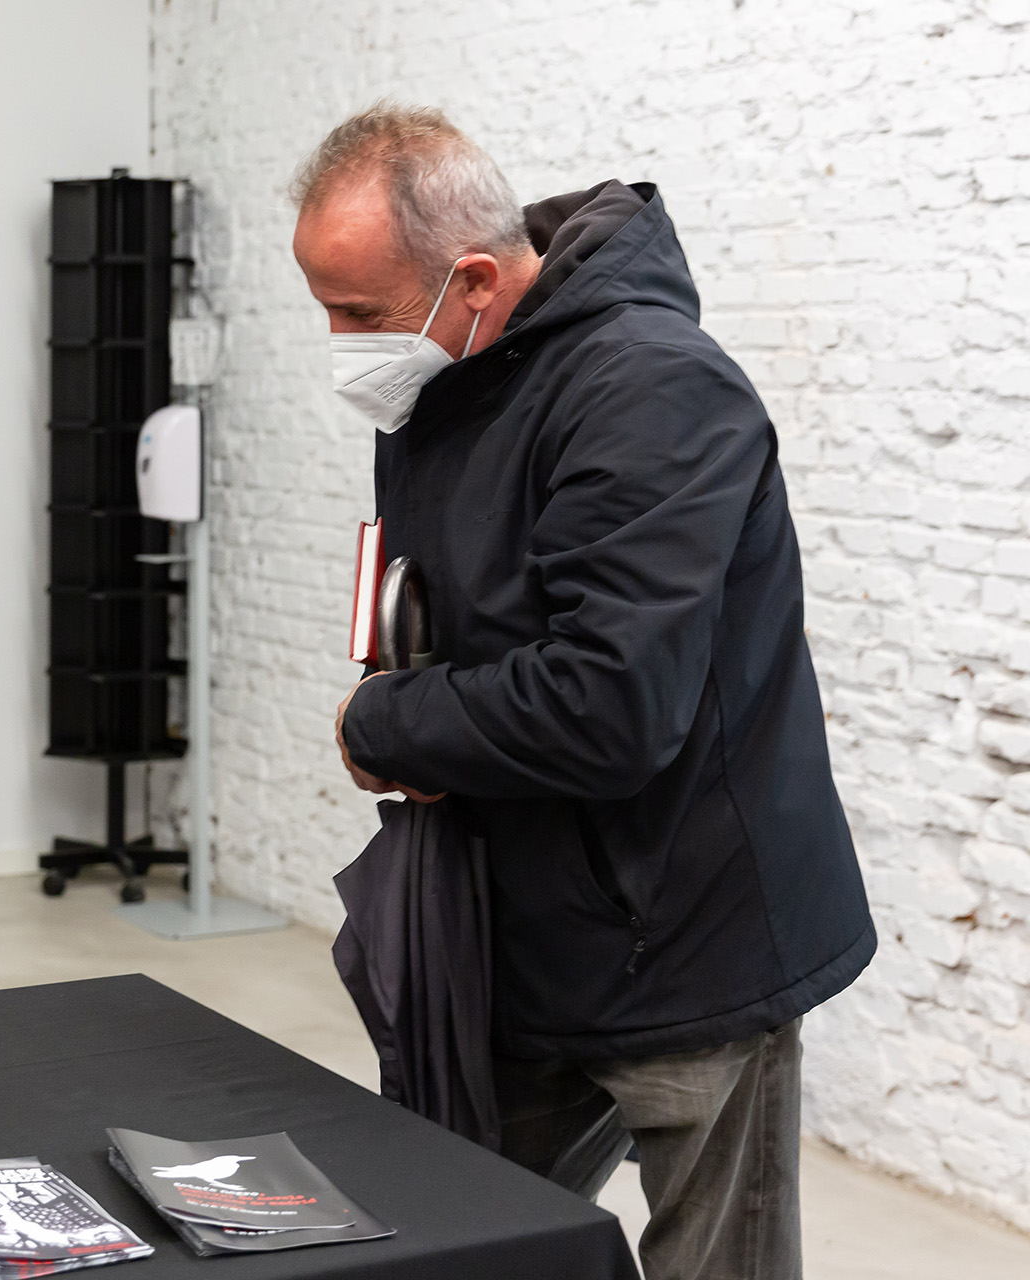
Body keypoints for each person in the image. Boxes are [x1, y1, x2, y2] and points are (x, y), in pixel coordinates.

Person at [293, 103, 874, 1280]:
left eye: (358, 313)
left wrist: (386, 723)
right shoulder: (443, 378)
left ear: (471, 278)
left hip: (688, 936)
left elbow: (610, 703)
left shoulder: (653, 388)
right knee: (466, 1240)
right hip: (516, 928)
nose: (342, 344)